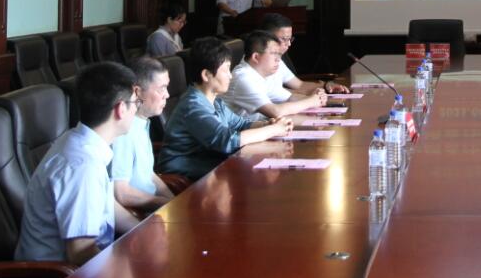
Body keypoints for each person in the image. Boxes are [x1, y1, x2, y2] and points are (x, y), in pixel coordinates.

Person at [15, 62, 143, 265]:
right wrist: (129, 268)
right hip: (55, 277)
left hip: (88, 264)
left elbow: (106, 204)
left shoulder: (81, 140)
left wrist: (143, 231)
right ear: (120, 109)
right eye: (136, 102)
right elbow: (81, 252)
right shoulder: (83, 166)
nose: (137, 109)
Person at [156, 37, 293, 181]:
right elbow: (227, 141)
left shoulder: (215, 101)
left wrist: (268, 123)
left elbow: (240, 124)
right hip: (184, 173)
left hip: (209, 162)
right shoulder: (193, 106)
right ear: (206, 75)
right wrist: (273, 130)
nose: (230, 75)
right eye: (226, 70)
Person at [112, 56, 176, 212]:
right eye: (162, 88)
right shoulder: (124, 132)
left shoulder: (142, 122)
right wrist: (164, 203)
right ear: (137, 92)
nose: (167, 95)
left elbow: (149, 175)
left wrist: (174, 202)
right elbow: (121, 193)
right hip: (138, 214)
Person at [222, 30, 329, 119]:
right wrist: (311, 101)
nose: (278, 59)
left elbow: (288, 98)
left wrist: (315, 97)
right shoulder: (244, 78)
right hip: (238, 135)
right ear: (256, 57)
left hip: (258, 128)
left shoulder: (260, 74)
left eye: (279, 54)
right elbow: (276, 112)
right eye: (274, 54)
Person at [257, 12, 349, 94]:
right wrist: (312, 97)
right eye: (284, 39)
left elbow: (299, 85)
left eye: (290, 39)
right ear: (266, 38)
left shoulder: (278, 60)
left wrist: (326, 86)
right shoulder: (256, 63)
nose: (289, 44)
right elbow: (276, 95)